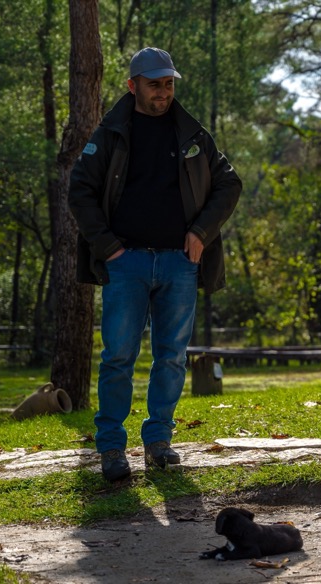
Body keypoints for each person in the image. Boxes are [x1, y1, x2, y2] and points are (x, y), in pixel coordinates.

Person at [68, 47, 242, 482]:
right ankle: (111, 448)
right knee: (118, 357)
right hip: (124, 263)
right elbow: (80, 190)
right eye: (154, 84)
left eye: (168, 83)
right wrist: (107, 246)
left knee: (171, 357)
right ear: (133, 86)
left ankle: (159, 441)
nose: (163, 92)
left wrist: (201, 233)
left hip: (179, 263)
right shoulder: (109, 133)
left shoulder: (192, 133)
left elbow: (229, 183)